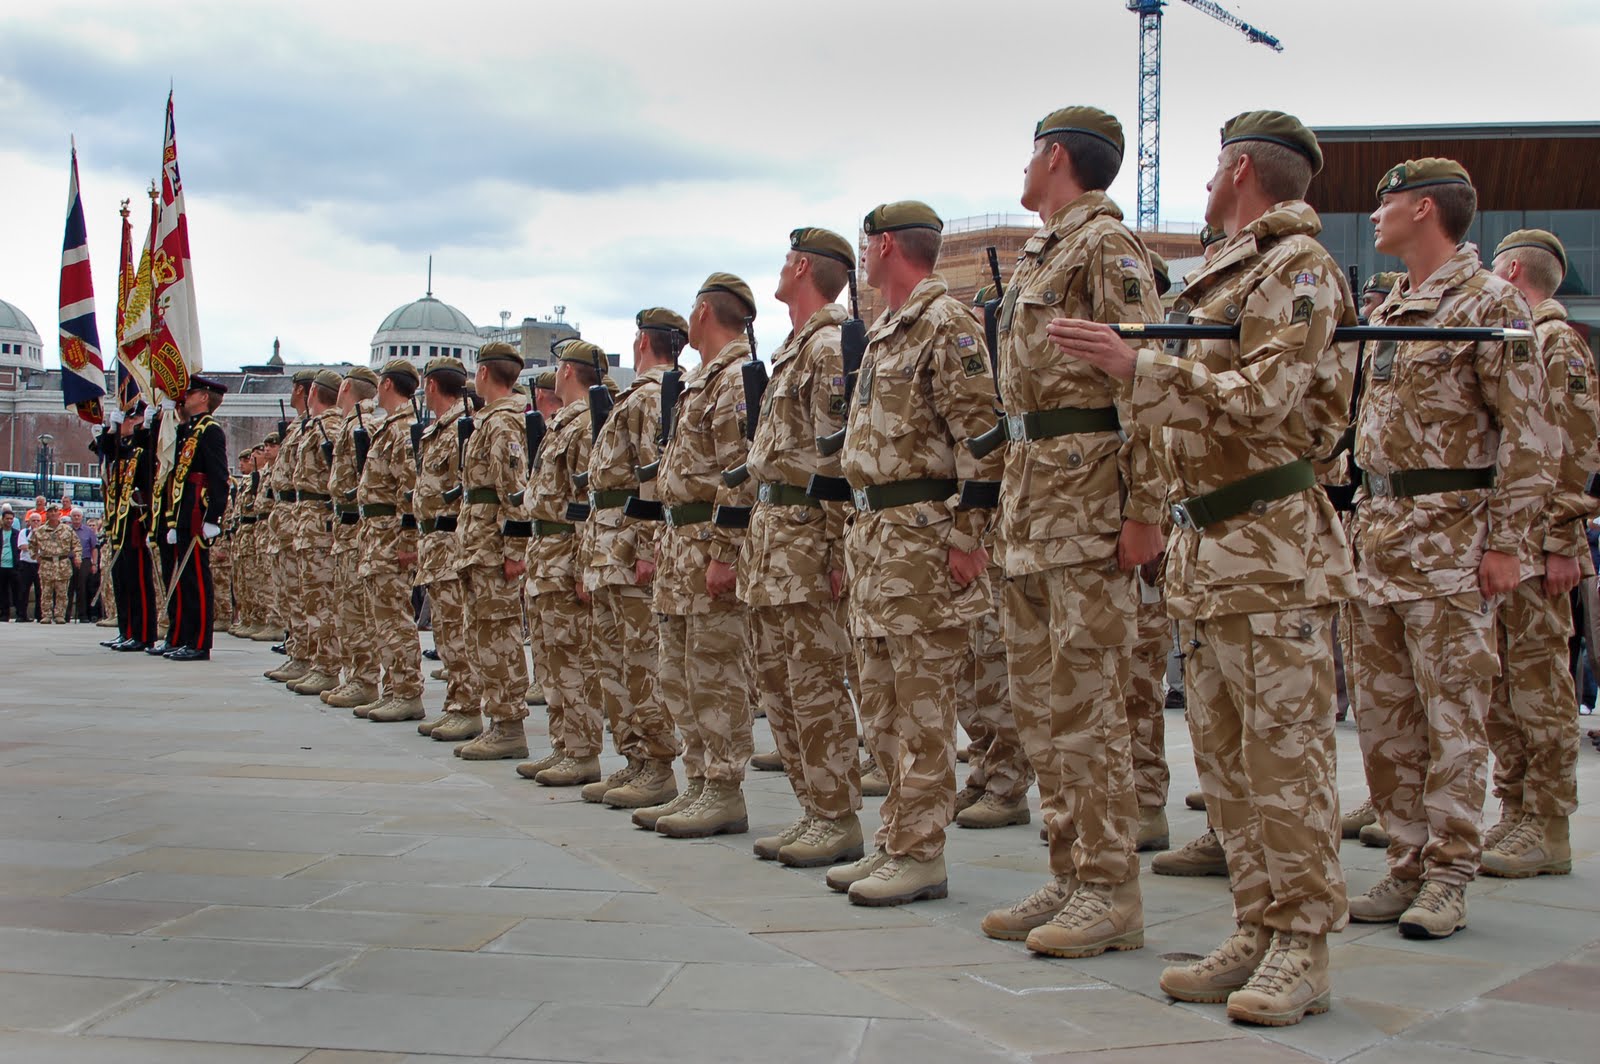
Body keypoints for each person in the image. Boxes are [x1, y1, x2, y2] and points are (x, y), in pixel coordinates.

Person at [1050, 111, 1357, 1024]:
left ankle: (1302, 946)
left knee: (1285, 763)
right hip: (1212, 551)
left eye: (1213, 168)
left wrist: (1141, 366)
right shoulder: (1228, 269)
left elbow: (1270, 398)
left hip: (1270, 549)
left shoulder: (1296, 269)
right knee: (1225, 764)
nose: (1206, 182)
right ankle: (1257, 927)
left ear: (1237, 170)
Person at [977, 107, 1166, 955]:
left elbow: (1144, 388)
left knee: (1089, 708)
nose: (1023, 168)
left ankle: (1110, 891)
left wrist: (1144, 511)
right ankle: (1068, 871)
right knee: (1042, 707)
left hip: (1086, 512)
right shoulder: (1043, 251)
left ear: (1055, 156)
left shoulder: (1107, 249)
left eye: (1029, 153)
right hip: (1031, 509)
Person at [1349, 159, 1552, 940]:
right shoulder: (1396, 303)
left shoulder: (1493, 304)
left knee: (1455, 722)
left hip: (1451, 547)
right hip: (1381, 547)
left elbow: (1531, 440)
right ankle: (1405, 865)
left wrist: (1509, 545)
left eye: (1386, 202)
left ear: (1424, 208)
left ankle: (1448, 878)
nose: (1376, 215)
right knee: (1387, 724)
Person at [827, 201, 1003, 906]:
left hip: (923, 545)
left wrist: (968, 539)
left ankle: (921, 850)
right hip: (878, 545)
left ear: (887, 247)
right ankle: (895, 837)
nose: (863, 259)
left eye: (868, 246)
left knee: (923, 709)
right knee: (883, 707)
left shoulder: (944, 323)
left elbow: (985, 442)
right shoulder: (883, 334)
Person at [1478, 229, 1598, 877]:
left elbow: (1576, 449)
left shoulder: (1556, 342)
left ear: (1514, 268)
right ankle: (1516, 808)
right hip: (1506, 538)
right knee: (1502, 685)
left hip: (1538, 542)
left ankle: (1548, 825)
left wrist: (1561, 543)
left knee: (1541, 686)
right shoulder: (1518, 338)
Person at [742, 228, 864, 867]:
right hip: (773, 543)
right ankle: (814, 808)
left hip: (806, 542)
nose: (780, 268)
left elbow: (837, 456)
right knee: (779, 685)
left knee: (813, 684)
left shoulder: (824, 348)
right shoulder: (794, 348)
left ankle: (838, 814)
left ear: (802, 267)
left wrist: (840, 550)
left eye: (787, 259)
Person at [644, 274, 759, 839]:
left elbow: (739, 476)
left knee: (715, 673)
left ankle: (724, 788)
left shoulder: (734, 378)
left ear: (706, 312)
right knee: (680, 673)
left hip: (707, 545)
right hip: (679, 548)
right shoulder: (698, 380)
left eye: (692, 310)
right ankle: (698, 781)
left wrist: (726, 554)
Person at [580, 309, 685, 810]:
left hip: (627, 549)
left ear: (642, 341)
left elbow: (652, 475)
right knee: (613, 662)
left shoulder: (649, 396)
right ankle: (636, 758)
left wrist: (645, 548)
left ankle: (659, 764)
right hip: (607, 549)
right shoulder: (634, 396)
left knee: (641, 662)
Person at [518, 341, 608, 785]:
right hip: (545, 557)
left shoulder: (584, 424)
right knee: (551, 660)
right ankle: (562, 744)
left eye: (558, 366)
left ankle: (582, 750)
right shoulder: (561, 424)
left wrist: (581, 565)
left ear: (568, 371)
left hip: (564, 557)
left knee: (573, 660)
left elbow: (585, 504)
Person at [452, 342, 536, 760]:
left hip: (492, 549)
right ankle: (497, 720)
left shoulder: (503, 424)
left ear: (484, 374)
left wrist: (515, 549)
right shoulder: (487, 421)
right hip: (478, 546)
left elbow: (516, 494)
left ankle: (508, 726)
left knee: (498, 636)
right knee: (481, 636)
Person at [414, 357, 480, 743]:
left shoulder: (462, 426)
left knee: (457, 631)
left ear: (432, 385)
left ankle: (467, 707)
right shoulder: (439, 429)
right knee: (445, 630)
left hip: (452, 540)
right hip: (435, 545)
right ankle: (457, 703)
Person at [356, 359, 425, 721]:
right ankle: (392, 686)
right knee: (382, 618)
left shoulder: (402, 429)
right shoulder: (390, 427)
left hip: (389, 536)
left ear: (385, 385)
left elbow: (410, 490)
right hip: (376, 534)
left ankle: (407, 689)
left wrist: (407, 541)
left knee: (395, 616)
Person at [324, 367, 385, 710]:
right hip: (349, 529)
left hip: (359, 528)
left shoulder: (364, 425)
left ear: (346, 387)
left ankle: (364, 678)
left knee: (359, 612)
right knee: (348, 608)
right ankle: (356, 675)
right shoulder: (352, 424)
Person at [284, 370, 346, 694]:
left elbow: (340, 478)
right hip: (306, 520)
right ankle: (311, 659)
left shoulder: (330, 427)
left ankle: (327, 665)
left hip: (319, 522)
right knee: (310, 597)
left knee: (322, 599)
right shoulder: (316, 426)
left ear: (311, 393)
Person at [162, 375, 230, 660]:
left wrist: (213, 516)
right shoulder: (190, 430)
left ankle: (200, 642)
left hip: (198, 512)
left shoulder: (210, 430)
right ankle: (187, 637)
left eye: (190, 393)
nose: (185, 398)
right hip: (184, 511)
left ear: (204, 397)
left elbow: (218, 476)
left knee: (198, 579)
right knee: (186, 578)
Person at [264, 371, 316, 680]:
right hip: (286, 516)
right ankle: (297, 650)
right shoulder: (299, 426)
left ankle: (309, 657)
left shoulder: (317, 426)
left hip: (302, 514)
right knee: (289, 592)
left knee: (304, 592)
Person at [104, 404, 158, 650]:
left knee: (138, 581)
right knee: (122, 580)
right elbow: (104, 451)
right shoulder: (123, 449)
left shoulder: (142, 448)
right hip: (119, 524)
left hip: (135, 524)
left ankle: (143, 632)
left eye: (129, 418)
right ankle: (126, 629)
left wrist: (149, 427)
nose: (125, 422)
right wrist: (109, 432)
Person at [32, 502, 81, 623]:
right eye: (50, 512)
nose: (53, 514)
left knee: (62, 592)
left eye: (55, 511)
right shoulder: (40, 530)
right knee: (46, 592)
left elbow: (77, 545)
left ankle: (60, 615)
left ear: (59, 514)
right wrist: (35, 556)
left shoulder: (67, 530)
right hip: (47, 564)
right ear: (47, 514)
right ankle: (47, 615)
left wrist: (77, 557)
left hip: (62, 563)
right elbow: (31, 545)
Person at [67, 511, 99, 621]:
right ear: (71, 517)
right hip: (68, 560)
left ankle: (83, 615)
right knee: (68, 588)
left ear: (82, 518)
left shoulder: (89, 531)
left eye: (78, 516)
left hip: (85, 561)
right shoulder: (66, 530)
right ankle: (65, 615)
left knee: (82, 587)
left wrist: (94, 563)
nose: (76, 518)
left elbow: (94, 548)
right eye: (74, 516)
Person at [0, 508, 19, 621]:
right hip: (2, 566)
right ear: (3, 519)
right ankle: (4, 613)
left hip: (14, 566)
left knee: (17, 590)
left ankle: (19, 613)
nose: (9, 521)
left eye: (11, 519)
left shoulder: (17, 533)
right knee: (2, 591)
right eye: (7, 519)